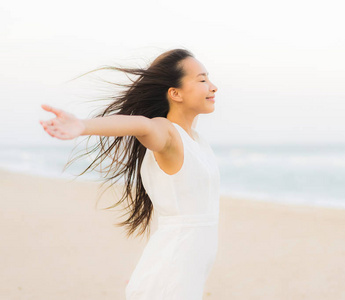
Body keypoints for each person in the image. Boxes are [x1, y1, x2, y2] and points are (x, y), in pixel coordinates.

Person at [39, 48, 220, 299]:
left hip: (181, 266)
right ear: (175, 93)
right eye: (202, 80)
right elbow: (140, 125)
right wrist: (83, 126)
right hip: (174, 268)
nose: (213, 87)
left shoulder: (194, 139)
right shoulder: (167, 134)